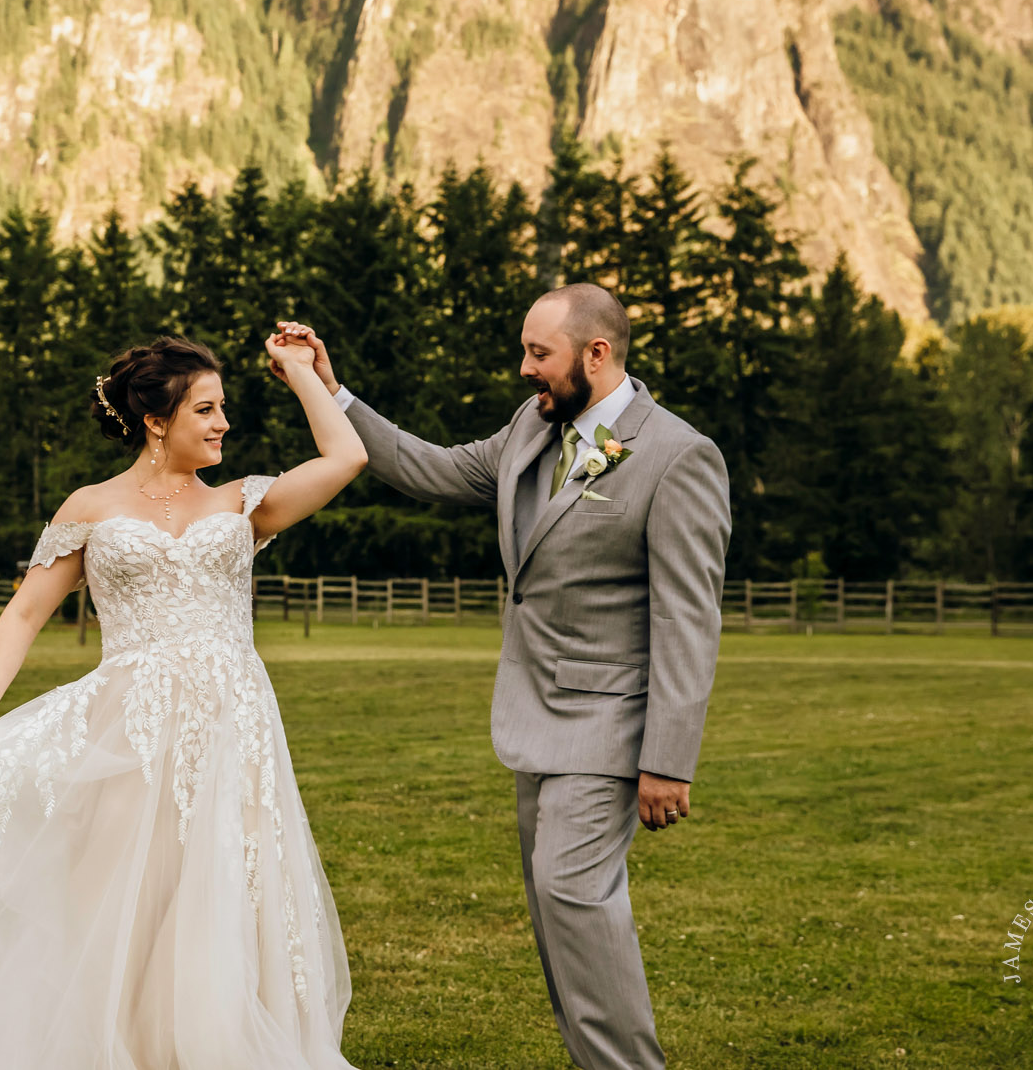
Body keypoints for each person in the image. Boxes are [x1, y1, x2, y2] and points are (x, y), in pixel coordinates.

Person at [0, 332, 368, 1070]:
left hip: (231, 727)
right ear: (157, 418)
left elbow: (348, 458)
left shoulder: (242, 502)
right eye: (206, 409)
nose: (222, 424)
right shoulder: (91, 507)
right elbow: (24, 612)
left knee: (222, 901)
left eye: (223, 410)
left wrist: (306, 374)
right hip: (127, 731)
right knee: (122, 904)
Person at [273, 285, 730, 1070]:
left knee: (572, 893)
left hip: (610, 725)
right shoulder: (531, 426)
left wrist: (668, 759)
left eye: (539, 354)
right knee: (559, 922)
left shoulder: (677, 455)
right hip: (530, 720)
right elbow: (432, 468)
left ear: (597, 353)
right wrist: (331, 387)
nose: (525, 369)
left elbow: (689, 618)